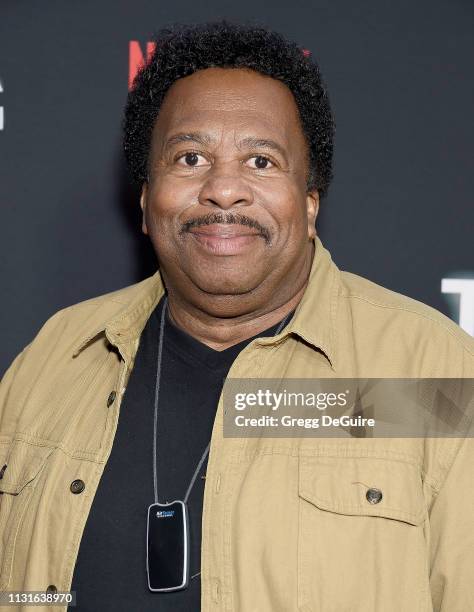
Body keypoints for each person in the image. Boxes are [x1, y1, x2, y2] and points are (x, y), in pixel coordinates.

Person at [0, 20, 473, 612]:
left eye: (261, 162)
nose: (224, 189)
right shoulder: (58, 355)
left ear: (309, 201)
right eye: (191, 157)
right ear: (146, 202)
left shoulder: (431, 371)